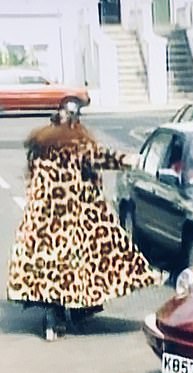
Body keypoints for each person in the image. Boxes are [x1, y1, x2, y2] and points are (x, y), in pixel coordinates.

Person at [6, 106, 164, 341]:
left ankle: (56, 318)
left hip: (44, 219)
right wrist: (136, 160)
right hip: (76, 216)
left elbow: (32, 180)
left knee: (50, 269)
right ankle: (77, 310)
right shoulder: (78, 146)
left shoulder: (40, 147)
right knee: (87, 261)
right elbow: (106, 157)